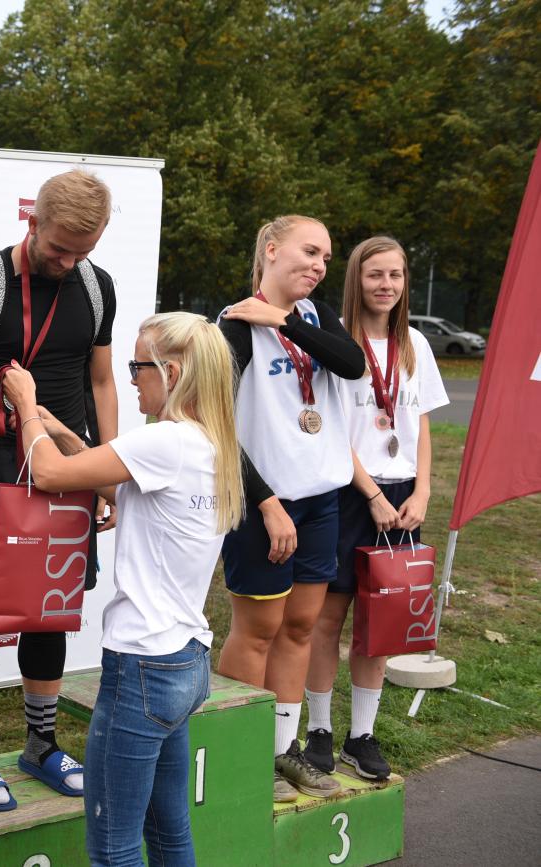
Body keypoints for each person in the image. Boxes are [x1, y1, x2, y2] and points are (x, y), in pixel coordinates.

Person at [2, 311, 243, 867]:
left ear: (172, 372)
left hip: (141, 666)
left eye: (138, 367)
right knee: (169, 832)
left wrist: (26, 406)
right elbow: (116, 481)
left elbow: (48, 474)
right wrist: (59, 429)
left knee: (113, 850)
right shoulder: (207, 442)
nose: (130, 379)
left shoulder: (165, 442)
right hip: (184, 660)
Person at [0, 168, 118, 808]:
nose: (68, 263)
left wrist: (106, 469)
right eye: (59, 248)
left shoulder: (96, 287)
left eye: (82, 253)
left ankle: (41, 744)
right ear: (31, 221)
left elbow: (101, 382)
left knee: (51, 607)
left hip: (66, 470)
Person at [217, 215, 366, 802]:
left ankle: (281, 753)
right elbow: (216, 429)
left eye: (326, 257)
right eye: (310, 252)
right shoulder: (233, 324)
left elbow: (351, 363)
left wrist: (283, 320)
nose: (320, 265)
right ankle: (239, 755)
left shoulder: (312, 316)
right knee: (258, 630)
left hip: (320, 499)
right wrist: (266, 502)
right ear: (273, 250)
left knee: (301, 626)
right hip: (263, 503)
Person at [303, 236, 448, 780]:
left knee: (380, 622)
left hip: (403, 496)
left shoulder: (415, 344)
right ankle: (319, 730)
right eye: (375, 275)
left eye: (395, 275)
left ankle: (360, 736)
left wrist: (423, 491)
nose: (386, 285)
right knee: (329, 617)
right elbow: (332, 430)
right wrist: (371, 494)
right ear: (356, 280)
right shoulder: (339, 342)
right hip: (350, 491)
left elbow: (421, 425)